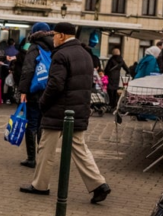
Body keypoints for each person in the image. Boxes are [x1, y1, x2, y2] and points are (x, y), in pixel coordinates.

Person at [20, 22, 110, 204]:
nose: (52, 38)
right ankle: (99, 184)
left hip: (59, 110)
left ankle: (40, 185)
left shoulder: (61, 55)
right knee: (80, 148)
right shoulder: (85, 53)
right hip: (78, 109)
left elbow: (55, 84)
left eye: (54, 35)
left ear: (61, 35)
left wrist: (43, 102)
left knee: (46, 148)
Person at [17, 22, 53, 169]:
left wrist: (23, 91)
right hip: (49, 90)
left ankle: (31, 158)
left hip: (35, 90)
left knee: (31, 122)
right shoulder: (55, 46)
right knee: (42, 124)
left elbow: (28, 70)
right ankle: (43, 156)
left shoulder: (34, 47)